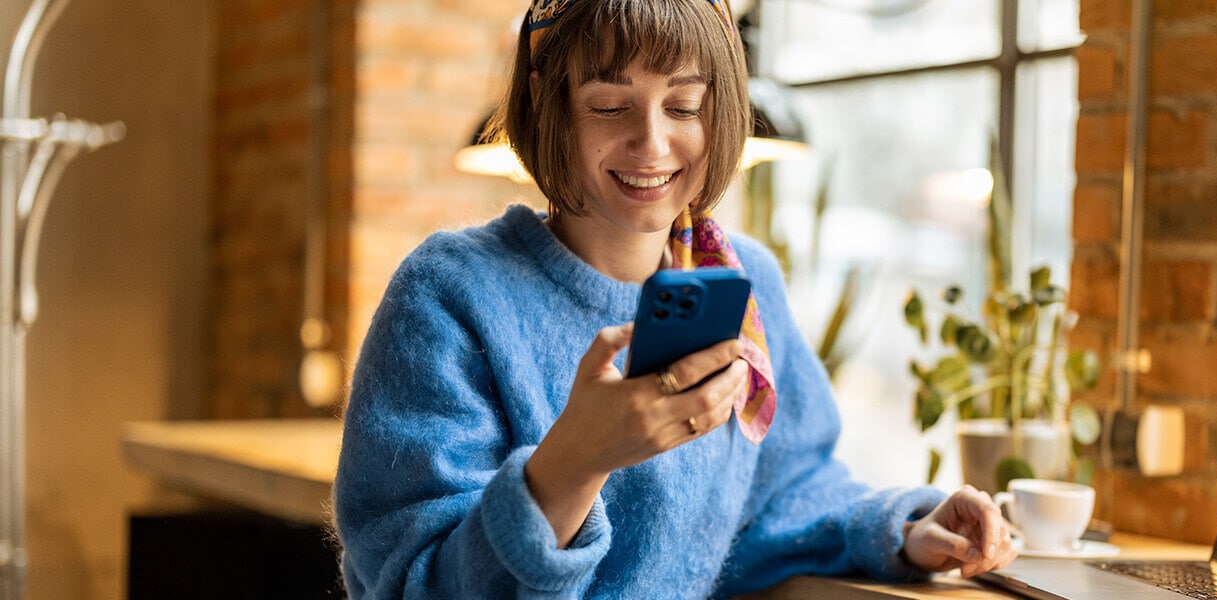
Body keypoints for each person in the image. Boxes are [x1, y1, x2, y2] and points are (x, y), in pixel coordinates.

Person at [333, 0, 1018, 597]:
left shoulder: (741, 281)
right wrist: (571, 466)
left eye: (684, 105)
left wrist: (908, 528)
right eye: (609, 105)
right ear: (548, 99)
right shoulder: (450, 295)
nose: (652, 144)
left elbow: (780, 496)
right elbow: (406, 583)